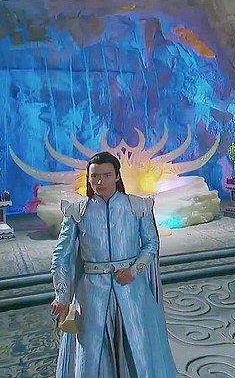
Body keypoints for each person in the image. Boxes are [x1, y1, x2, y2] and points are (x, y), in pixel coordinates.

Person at [50, 151, 176, 377]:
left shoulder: (138, 206)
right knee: (91, 351)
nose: (100, 182)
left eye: (106, 175)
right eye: (95, 176)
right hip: (91, 293)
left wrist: (134, 271)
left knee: (138, 345)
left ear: (117, 176)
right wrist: (61, 295)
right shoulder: (77, 212)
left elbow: (151, 244)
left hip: (131, 289)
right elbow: (62, 255)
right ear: (88, 178)